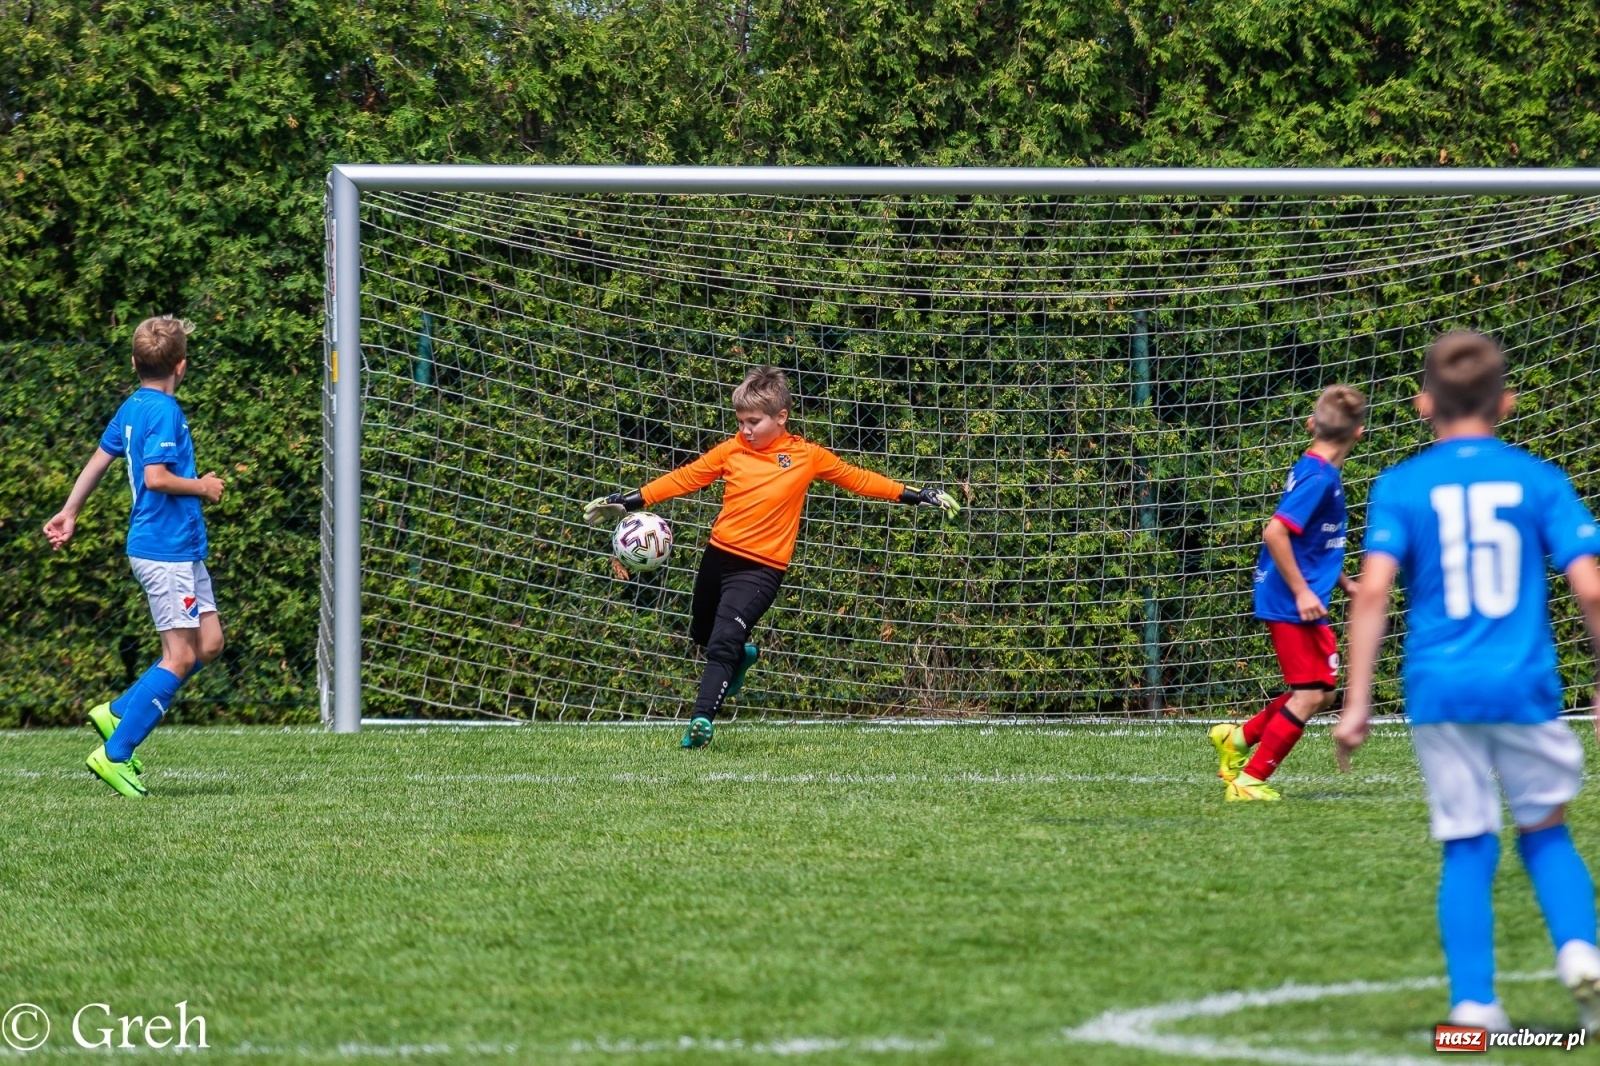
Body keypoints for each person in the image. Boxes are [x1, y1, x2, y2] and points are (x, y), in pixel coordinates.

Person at [1334, 330, 1600, 1033]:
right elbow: (1590, 588)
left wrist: (1356, 701)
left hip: (1439, 689)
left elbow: (1372, 593)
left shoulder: (1400, 485)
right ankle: (1580, 952)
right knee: (1544, 828)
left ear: (1424, 404)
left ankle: (1474, 1009)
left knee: (1467, 840)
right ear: (1506, 402)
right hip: (1524, 686)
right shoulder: (1541, 479)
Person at [584, 367, 959, 748]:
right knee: (703, 633)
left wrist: (917, 494)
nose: (745, 430)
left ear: (781, 418)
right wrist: (628, 500)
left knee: (723, 641)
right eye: (740, 421)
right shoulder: (731, 450)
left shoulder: (807, 457)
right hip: (717, 558)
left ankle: (700, 723)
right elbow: (685, 478)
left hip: (761, 569)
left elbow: (858, 479)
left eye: (753, 421)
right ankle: (741, 656)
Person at [44, 315, 227, 798]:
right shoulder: (163, 411)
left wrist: (69, 511)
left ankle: (118, 711)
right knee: (180, 655)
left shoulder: (132, 406)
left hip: (183, 550)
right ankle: (115, 753)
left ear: (134, 363)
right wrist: (204, 487)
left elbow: (98, 460)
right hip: (163, 550)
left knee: (208, 644)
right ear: (181, 366)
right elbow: (157, 478)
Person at [1209, 385, 1366, 801]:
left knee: (1322, 690)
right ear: (1359, 433)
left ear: (1311, 424)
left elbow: (1312, 544)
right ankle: (1250, 780)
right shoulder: (1318, 478)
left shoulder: (1316, 470)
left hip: (1297, 596)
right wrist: (1301, 592)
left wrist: (1345, 582)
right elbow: (1276, 532)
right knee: (1312, 693)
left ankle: (1238, 739)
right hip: (1292, 599)